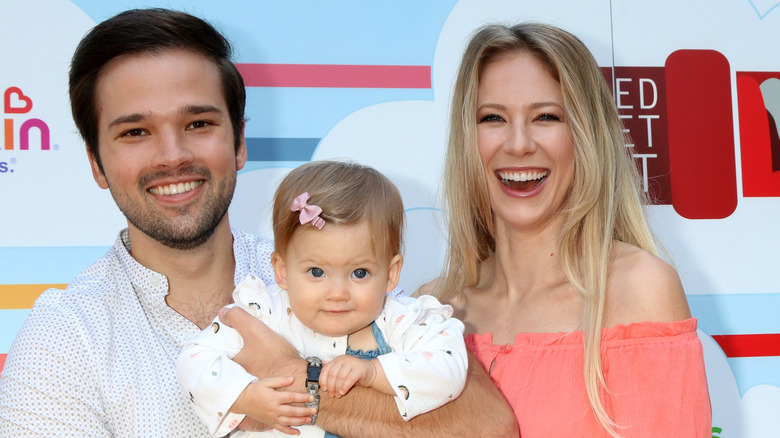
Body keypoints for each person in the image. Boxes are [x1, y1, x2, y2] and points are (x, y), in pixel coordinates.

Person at [0, 7, 518, 438]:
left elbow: (492, 427)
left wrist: (294, 377)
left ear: (240, 141)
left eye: (198, 123)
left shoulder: (332, 270)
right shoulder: (64, 342)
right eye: (135, 132)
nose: (173, 155)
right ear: (95, 163)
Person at [428, 22, 712, 437]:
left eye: (546, 116)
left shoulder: (637, 291)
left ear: (586, 136)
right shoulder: (433, 311)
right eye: (492, 118)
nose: (519, 143)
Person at [177, 160, 468, 437]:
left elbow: (449, 368)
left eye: (359, 273)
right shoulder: (264, 312)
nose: (338, 293)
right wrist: (245, 396)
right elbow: (194, 358)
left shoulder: (402, 319)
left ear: (391, 274)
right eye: (317, 272)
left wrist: (374, 371)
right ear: (281, 270)